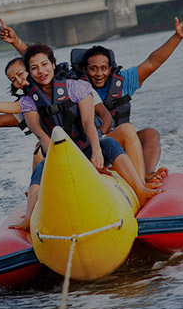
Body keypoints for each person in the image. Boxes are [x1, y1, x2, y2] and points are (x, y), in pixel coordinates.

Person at [0, 13, 183, 180]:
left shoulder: (124, 81)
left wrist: (177, 37)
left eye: (103, 69)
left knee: (149, 133)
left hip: (115, 139)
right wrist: (16, 42)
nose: (98, 74)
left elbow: (152, 62)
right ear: (84, 69)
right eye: (93, 69)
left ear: (110, 69)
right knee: (39, 149)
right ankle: (41, 193)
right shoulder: (72, 85)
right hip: (82, 143)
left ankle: (145, 175)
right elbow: (41, 63)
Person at [12, 43, 159, 231]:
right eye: (34, 68)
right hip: (63, 155)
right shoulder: (27, 102)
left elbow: (89, 122)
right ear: (30, 73)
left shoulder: (77, 87)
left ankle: (140, 190)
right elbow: (41, 135)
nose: (41, 71)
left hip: (88, 148)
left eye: (44, 64)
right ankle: (30, 217)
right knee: (40, 166)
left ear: (53, 65)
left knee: (110, 144)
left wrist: (96, 151)